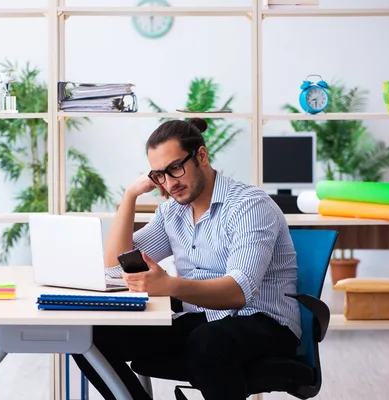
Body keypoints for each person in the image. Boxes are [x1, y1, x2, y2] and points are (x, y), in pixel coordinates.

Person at [72, 118, 301, 400]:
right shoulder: (173, 212)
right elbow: (114, 268)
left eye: (175, 168)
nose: (169, 183)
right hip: (201, 319)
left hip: (264, 321)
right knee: (87, 338)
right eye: (159, 175)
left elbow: (239, 292)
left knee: (208, 341)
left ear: (201, 156)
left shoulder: (249, 206)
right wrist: (130, 195)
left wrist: (169, 285)